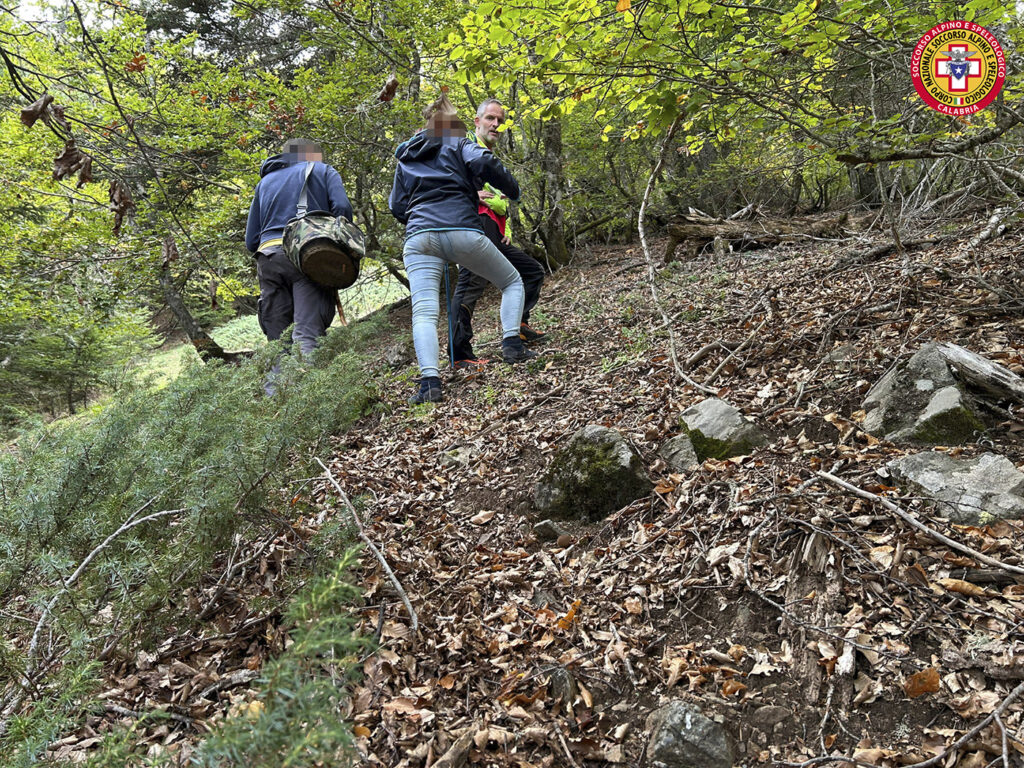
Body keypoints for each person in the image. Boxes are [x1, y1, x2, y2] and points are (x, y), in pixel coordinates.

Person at [389, 95, 536, 405]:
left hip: (418, 237)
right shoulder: (457, 141)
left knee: (425, 313)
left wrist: (419, 216)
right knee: (511, 281)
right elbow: (483, 161)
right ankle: (512, 345)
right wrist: (512, 189)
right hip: (461, 230)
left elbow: (397, 206)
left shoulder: (406, 155)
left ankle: (430, 383)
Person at [245, 138, 353, 394]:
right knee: (307, 335)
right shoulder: (322, 170)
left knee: (278, 341)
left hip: (268, 258)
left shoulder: (265, 183)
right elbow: (342, 209)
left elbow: (251, 240)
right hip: (306, 257)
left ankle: (277, 404)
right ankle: (309, 402)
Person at [450, 98, 547, 368]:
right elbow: (456, 188)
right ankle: (459, 354)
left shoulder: (490, 156)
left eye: (499, 121)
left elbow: (504, 200)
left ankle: (518, 326)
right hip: (473, 226)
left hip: (495, 229)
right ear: (477, 121)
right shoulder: (465, 149)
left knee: (531, 271)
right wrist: (473, 195)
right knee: (471, 283)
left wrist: (508, 230)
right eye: (490, 119)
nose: (495, 125)